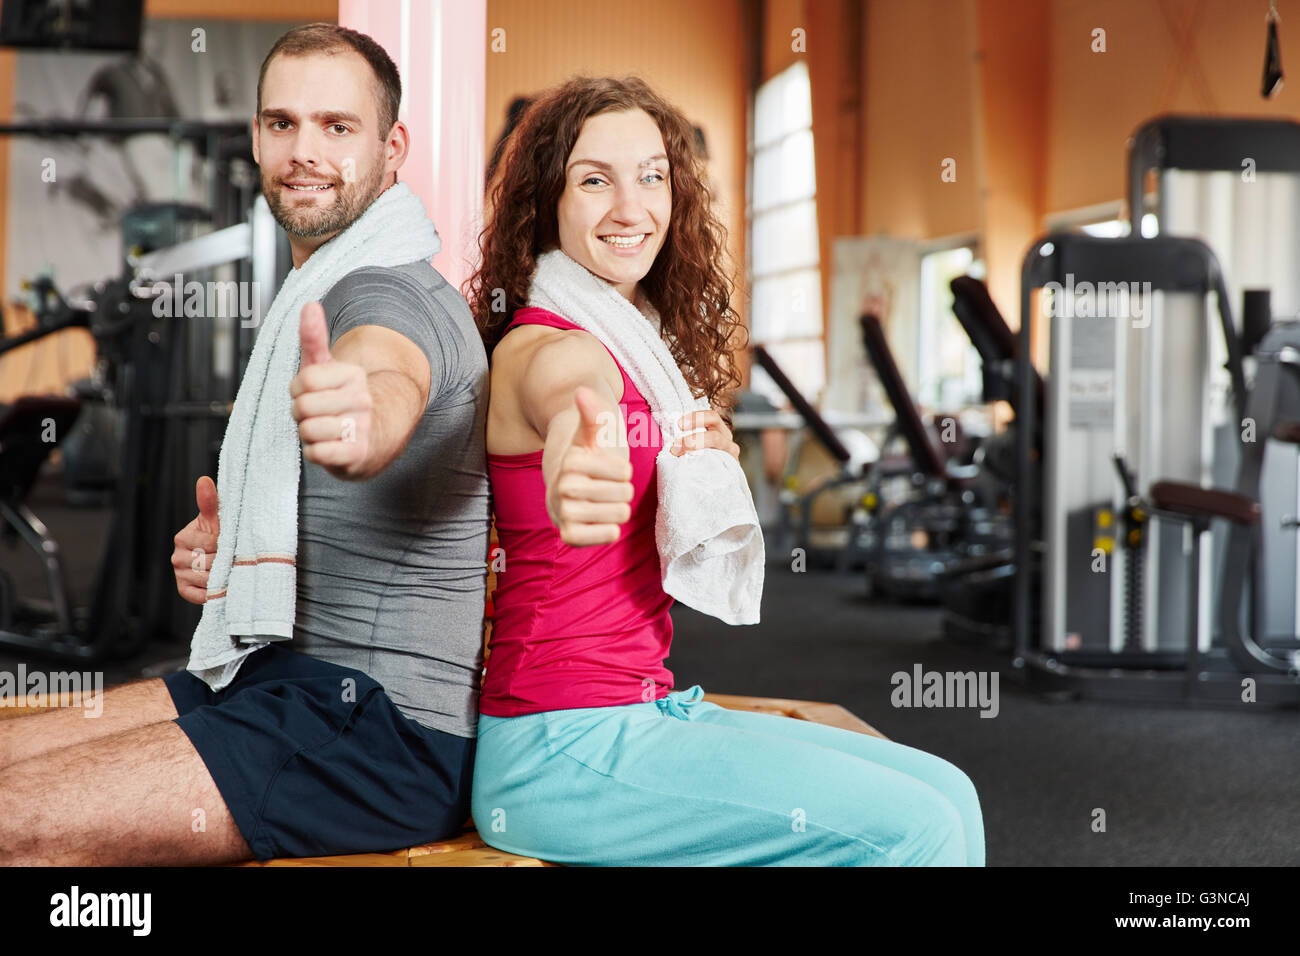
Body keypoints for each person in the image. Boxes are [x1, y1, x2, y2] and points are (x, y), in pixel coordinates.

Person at [0, 23, 489, 865]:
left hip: (380, 732)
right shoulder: (315, 284)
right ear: (258, 137)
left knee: (14, 822)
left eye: (338, 127)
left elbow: (386, 376)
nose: (304, 150)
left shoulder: (390, 292)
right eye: (281, 124)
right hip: (276, 680)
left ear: (392, 146)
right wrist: (232, 551)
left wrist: (358, 418)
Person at [466, 75, 985, 866]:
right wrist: (582, 453)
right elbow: (573, 403)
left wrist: (693, 468)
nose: (630, 207)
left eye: (651, 176)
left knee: (953, 793)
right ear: (548, 202)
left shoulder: (640, 347)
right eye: (594, 180)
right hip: (560, 744)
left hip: (644, 707)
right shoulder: (547, 345)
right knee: (922, 831)